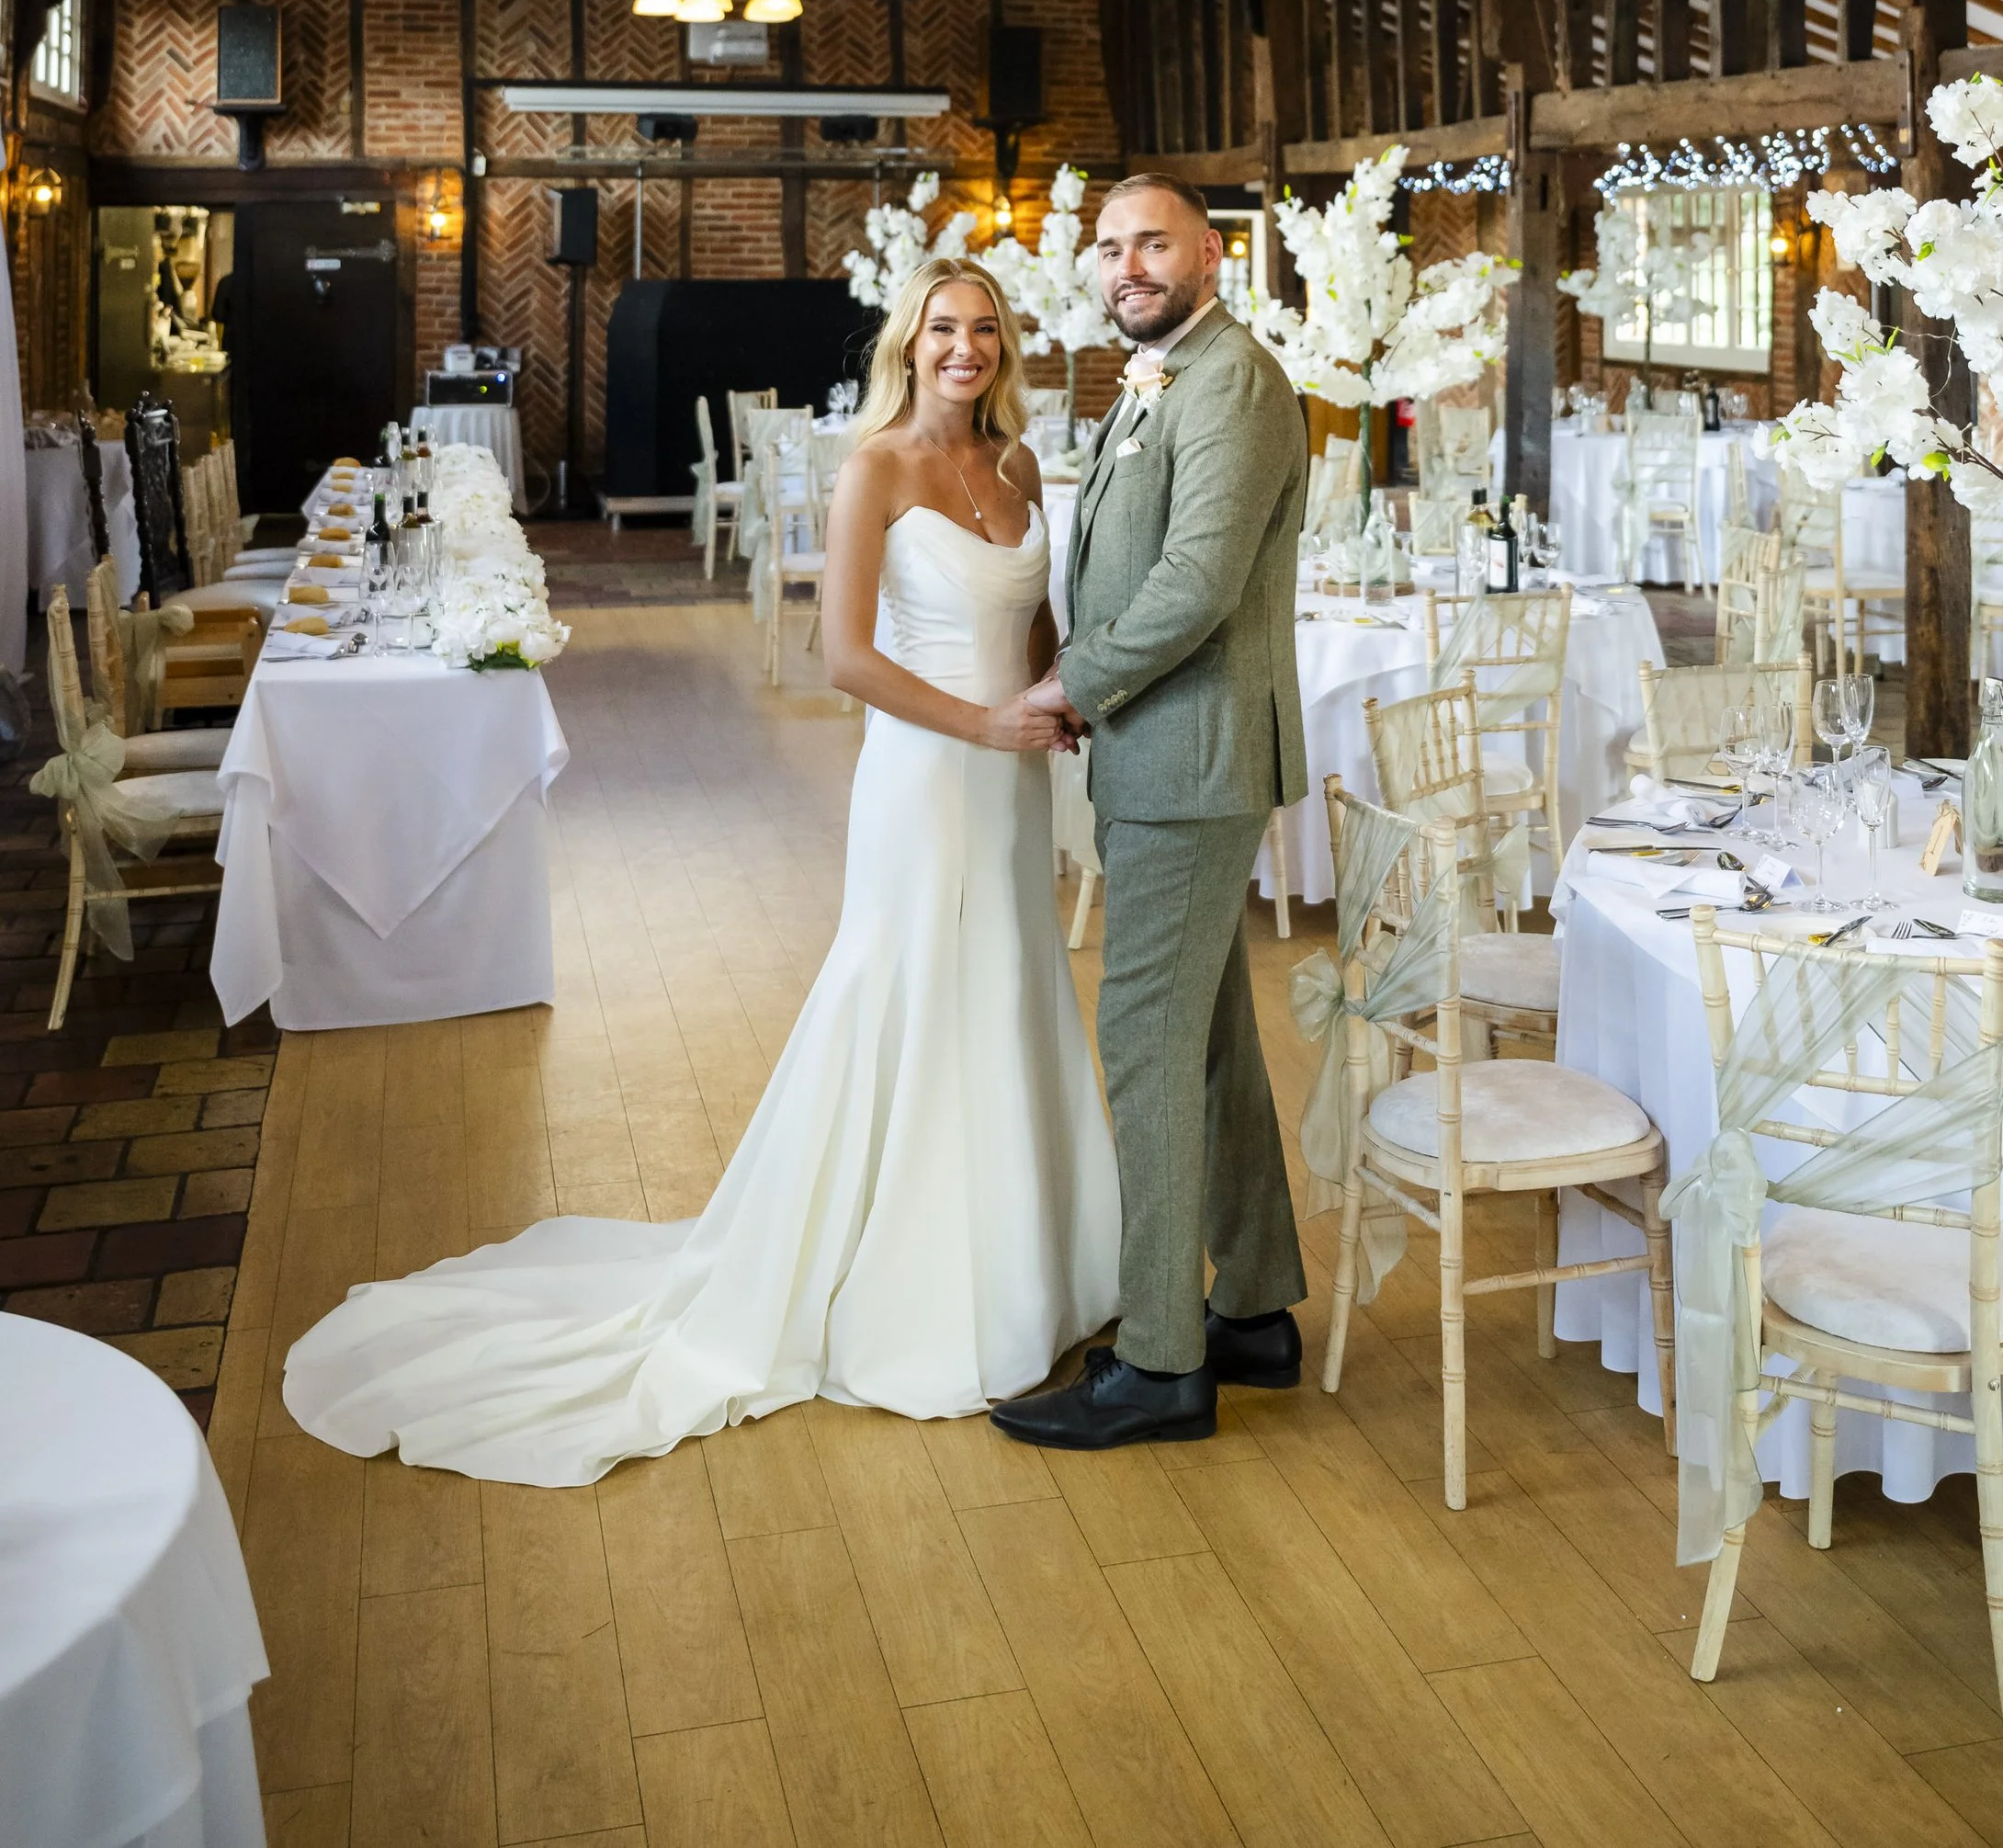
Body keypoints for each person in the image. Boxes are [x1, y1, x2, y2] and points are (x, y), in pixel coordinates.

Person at [279, 259, 1119, 1485]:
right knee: (915, 993)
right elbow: (842, 656)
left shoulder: (1022, 465)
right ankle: (921, 1289)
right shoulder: (875, 466)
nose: (965, 346)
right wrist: (985, 723)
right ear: (908, 340)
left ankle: (1035, 1273)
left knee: (1010, 991)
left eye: (984, 328)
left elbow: (1030, 628)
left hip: (1014, 777)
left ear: (1006, 344)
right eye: (943, 327)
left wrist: (1051, 701)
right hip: (928, 780)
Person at [990, 175, 1310, 1453]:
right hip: (1157, 752)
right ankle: (1259, 1307)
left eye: (1153, 241)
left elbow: (1195, 583)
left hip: (1188, 762)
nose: (1128, 264)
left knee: (1146, 1043)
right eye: (1111, 246)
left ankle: (1165, 1360)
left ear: (1212, 253)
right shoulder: (1164, 369)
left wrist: (1073, 679)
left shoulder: (1231, 378)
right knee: (1212, 1034)